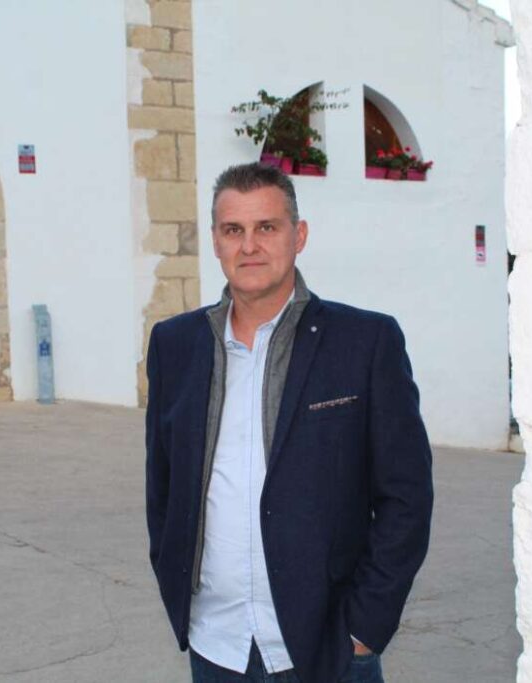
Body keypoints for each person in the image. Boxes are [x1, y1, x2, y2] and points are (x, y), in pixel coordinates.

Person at [145, 162, 433, 683]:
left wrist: (365, 626)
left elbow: (406, 496)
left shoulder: (364, 343)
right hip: (216, 646)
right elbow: (163, 487)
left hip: (328, 649)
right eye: (233, 230)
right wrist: (173, 577)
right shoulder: (176, 346)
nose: (249, 246)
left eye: (267, 227)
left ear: (298, 236)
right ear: (215, 241)